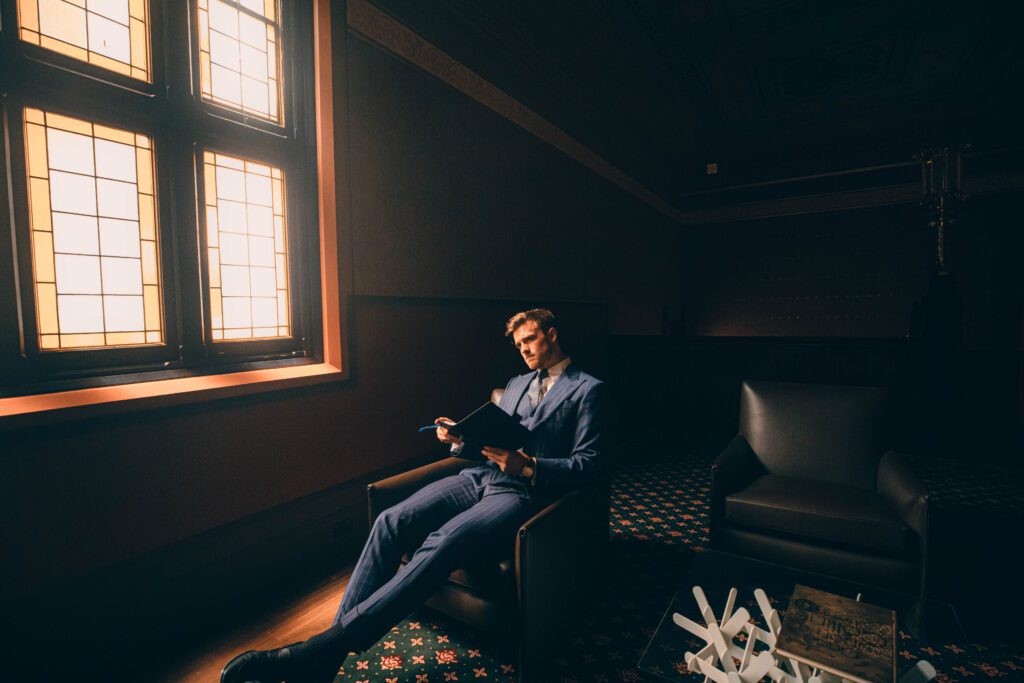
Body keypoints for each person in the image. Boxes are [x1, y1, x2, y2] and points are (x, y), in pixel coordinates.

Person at [222, 308, 606, 683]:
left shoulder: (587, 389)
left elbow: (588, 464)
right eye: (518, 344)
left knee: (447, 540)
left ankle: (317, 652)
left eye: (530, 339)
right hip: (478, 476)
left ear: (552, 335)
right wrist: (459, 440)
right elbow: (490, 442)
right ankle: (325, 660)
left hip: (522, 493)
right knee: (392, 520)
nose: (523, 349)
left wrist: (528, 466)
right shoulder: (518, 383)